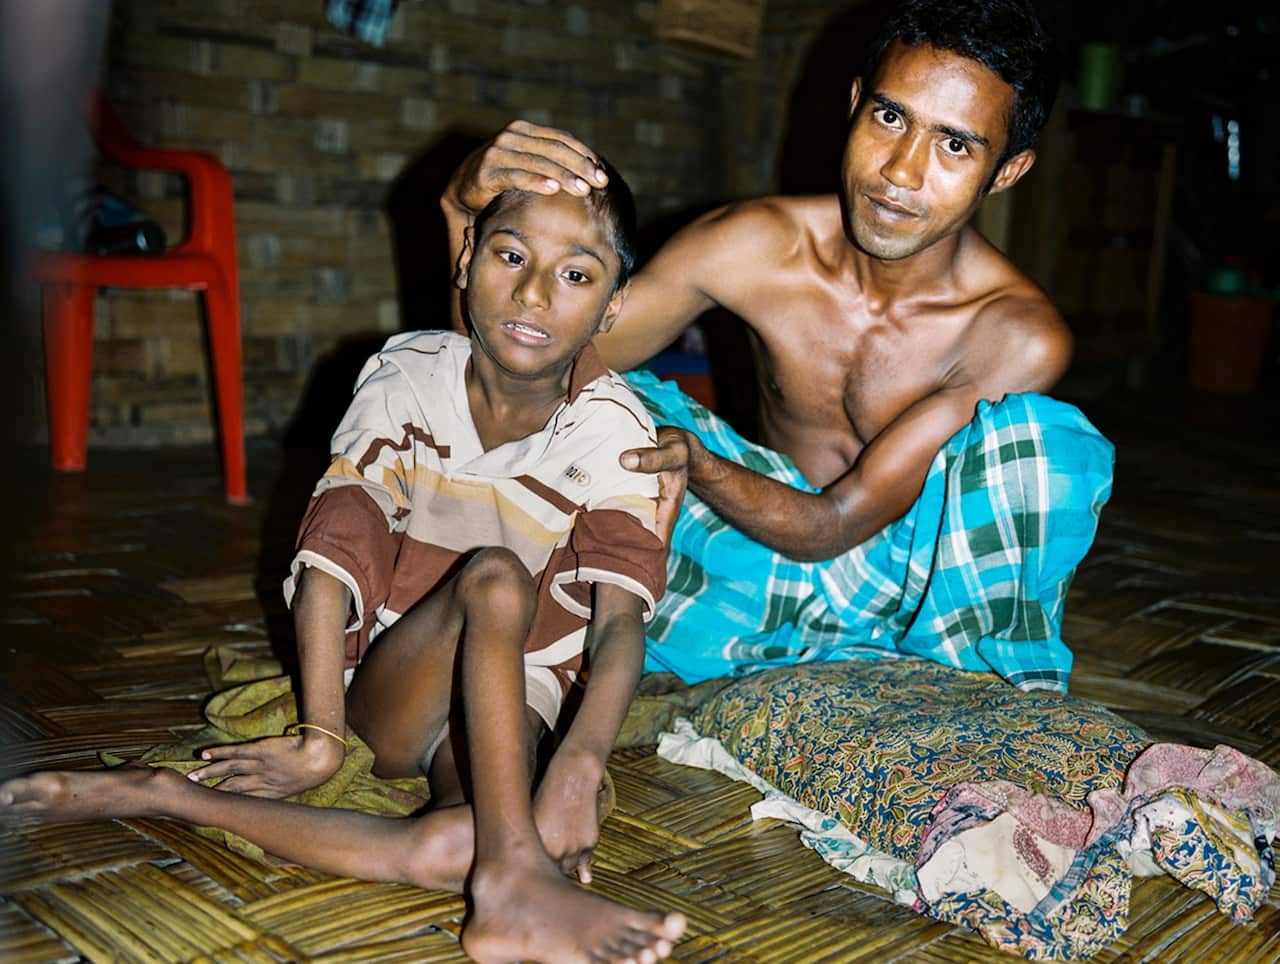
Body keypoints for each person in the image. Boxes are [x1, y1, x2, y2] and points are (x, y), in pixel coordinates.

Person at [0, 176, 688, 964]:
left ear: (612, 307)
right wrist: (322, 734)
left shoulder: (617, 432)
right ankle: (512, 885)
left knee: (450, 847)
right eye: (511, 255)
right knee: (496, 576)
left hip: (513, 699)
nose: (534, 294)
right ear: (466, 260)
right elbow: (335, 547)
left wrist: (577, 764)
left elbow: (619, 620)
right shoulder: (408, 376)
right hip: (396, 683)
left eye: (576, 274)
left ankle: (171, 799)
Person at [441, 0, 1114, 694]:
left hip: (916, 602)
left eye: (954, 145)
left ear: (1006, 170)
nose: (902, 173)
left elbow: (836, 524)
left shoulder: (1012, 333)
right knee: (603, 398)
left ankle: (940, 699)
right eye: (890, 118)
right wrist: (464, 213)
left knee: (1042, 451)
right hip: (746, 563)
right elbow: (508, 385)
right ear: (855, 106)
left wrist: (699, 466)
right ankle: (704, 659)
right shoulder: (753, 245)